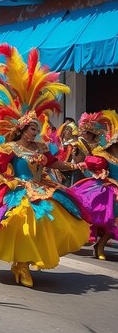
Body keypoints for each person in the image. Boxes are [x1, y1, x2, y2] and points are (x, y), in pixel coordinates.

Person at [0, 44, 89, 288]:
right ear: (22, 129)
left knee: (52, 223)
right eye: (32, 128)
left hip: (42, 188)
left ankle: (26, 262)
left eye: (37, 128)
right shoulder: (9, 149)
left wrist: (76, 166)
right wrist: (7, 180)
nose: (36, 132)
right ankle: (21, 266)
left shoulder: (42, 148)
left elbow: (56, 164)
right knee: (23, 224)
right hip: (19, 190)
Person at [72, 109, 118, 260]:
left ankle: (100, 245)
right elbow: (89, 162)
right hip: (107, 188)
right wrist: (101, 173)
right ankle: (97, 244)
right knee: (95, 213)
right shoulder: (104, 154)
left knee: (113, 224)